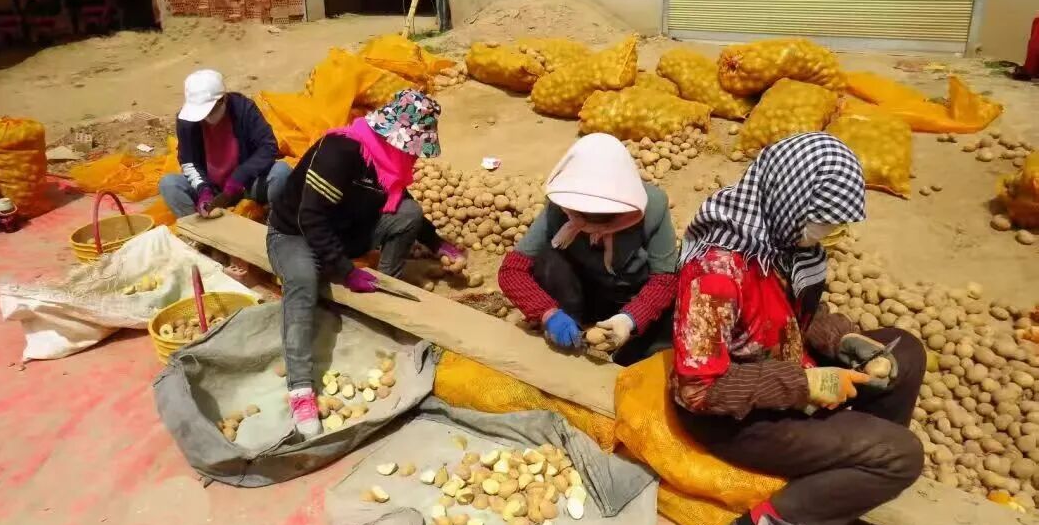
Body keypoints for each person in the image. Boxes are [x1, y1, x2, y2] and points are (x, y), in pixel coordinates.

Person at [670, 132, 924, 525]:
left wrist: (843, 340)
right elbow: (698, 390)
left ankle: (851, 467)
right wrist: (806, 384)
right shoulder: (716, 274)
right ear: (790, 198)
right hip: (735, 417)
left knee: (906, 350)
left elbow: (793, 316)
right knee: (904, 456)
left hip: (783, 370)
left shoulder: (783, 244)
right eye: (822, 220)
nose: (830, 232)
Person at [267, 91, 464, 437]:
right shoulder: (340, 153)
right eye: (411, 148)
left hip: (343, 231)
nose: (413, 156)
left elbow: (397, 198)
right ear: (392, 136)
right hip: (295, 234)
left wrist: (437, 243)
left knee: (409, 213)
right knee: (303, 282)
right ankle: (300, 389)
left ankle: (383, 303)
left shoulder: (386, 161)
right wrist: (346, 272)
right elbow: (310, 217)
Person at [498, 133, 678, 365]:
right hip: (582, 292)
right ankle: (573, 326)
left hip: (631, 293)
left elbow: (664, 280)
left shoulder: (653, 206)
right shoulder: (560, 207)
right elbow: (512, 271)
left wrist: (630, 319)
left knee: (678, 305)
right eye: (585, 213)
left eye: (605, 215)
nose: (593, 221)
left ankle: (630, 349)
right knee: (547, 260)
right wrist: (548, 313)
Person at [159, 69, 290, 218]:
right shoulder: (187, 120)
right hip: (212, 188)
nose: (206, 116)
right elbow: (188, 162)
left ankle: (277, 223)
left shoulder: (244, 109)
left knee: (281, 172)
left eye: (210, 110)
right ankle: (199, 228)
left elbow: (268, 147)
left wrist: (239, 178)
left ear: (223, 99)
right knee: (169, 184)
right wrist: (203, 190)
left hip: (247, 184)